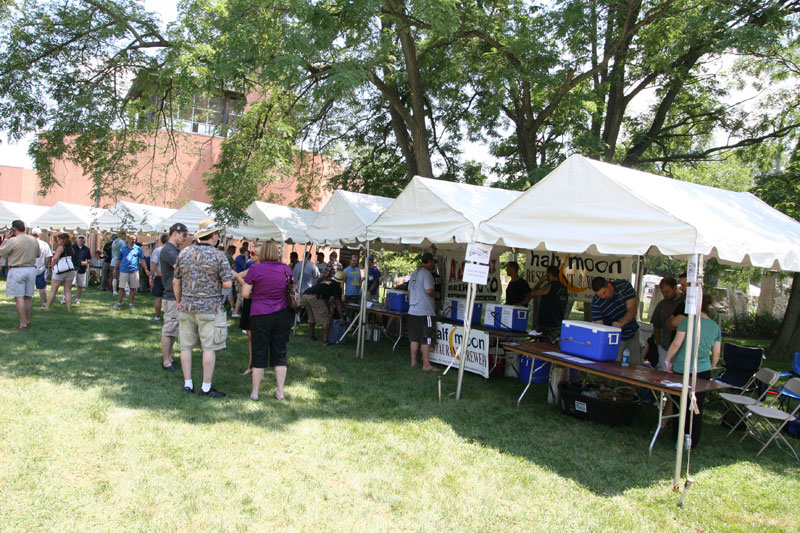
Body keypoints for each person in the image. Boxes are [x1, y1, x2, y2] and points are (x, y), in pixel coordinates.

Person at [173, 219, 233, 397]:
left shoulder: (184, 253)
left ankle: (188, 383)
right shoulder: (219, 255)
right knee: (209, 348)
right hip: (210, 308)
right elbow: (228, 284)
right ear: (213, 236)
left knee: (186, 347)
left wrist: (179, 301)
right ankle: (206, 387)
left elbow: (176, 281)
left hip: (186, 306)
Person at [664, 294, 721, 448]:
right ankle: (692, 440)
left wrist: (668, 360)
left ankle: (678, 437)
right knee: (697, 407)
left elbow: (676, 344)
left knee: (679, 404)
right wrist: (713, 365)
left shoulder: (687, 322)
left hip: (682, 369)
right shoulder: (715, 327)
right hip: (703, 370)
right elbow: (716, 353)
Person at [242, 242, 294, 400]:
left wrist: (257, 295)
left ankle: (255, 392)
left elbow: (245, 293)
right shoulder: (287, 269)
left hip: (260, 314)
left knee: (259, 352)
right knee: (280, 353)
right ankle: (280, 391)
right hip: (283, 314)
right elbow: (292, 289)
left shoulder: (255, 269)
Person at [591, 276, 641, 365]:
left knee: (635, 366)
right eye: (599, 295)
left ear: (609, 285)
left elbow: (632, 309)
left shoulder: (624, 286)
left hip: (632, 332)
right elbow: (599, 325)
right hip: (613, 338)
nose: (603, 296)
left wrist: (622, 322)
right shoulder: (596, 302)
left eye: (604, 293)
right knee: (610, 367)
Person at [159, 223, 188, 372]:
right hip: (171, 296)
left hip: (175, 295)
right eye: (184, 235)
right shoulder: (168, 251)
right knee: (169, 328)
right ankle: (166, 361)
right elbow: (182, 268)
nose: (185, 238)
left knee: (173, 329)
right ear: (175, 233)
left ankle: (169, 357)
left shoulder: (174, 250)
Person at [0, 220, 39, 329]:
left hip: (17, 269)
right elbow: (38, 254)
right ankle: (27, 321)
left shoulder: (13, 240)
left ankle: (22, 323)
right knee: (28, 297)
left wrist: (6, 238)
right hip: (31, 269)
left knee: (19, 297)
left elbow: (1, 251)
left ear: (14, 229)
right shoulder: (33, 239)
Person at [408, 252, 440, 371]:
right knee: (426, 337)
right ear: (430, 261)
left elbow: (409, 293)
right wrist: (436, 294)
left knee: (414, 338)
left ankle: (413, 361)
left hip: (413, 310)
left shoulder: (414, 273)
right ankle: (426, 364)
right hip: (425, 311)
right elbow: (429, 291)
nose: (434, 265)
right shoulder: (427, 274)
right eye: (433, 262)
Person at [649, 276, 684, 370]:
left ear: (675, 288)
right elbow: (656, 326)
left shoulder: (684, 302)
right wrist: (659, 344)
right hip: (665, 346)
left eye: (667, 292)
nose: (665, 295)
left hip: (682, 348)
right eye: (663, 292)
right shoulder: (661, 305)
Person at [302, 271, 345, 345]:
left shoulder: (328, 282)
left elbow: (326, 299)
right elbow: (338, 304)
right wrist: (342, 317)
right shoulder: (337, 287)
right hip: (315, 297)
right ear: (342, 281)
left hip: (306, 295)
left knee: (311, 317)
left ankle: (311, 336)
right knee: (325, 320)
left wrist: (328, 308)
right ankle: (325, 341)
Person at [530, 265, 569, 334]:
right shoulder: (563, 288)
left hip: (546, 323)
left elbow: (534, 292)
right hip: (558, 322)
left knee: (542, 343)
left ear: (549, 275)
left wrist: (540, 282)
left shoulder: (550, 285)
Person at [114, 234, 149, 308]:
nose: (133, 240)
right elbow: (119, 259)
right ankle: (119, 302)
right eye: (132, 239)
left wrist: (146, 269)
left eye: (134, 239)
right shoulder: (123, 248)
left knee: (133, 288)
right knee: (121, 288)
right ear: (127, 239)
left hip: (134, 271)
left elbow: (142, 259)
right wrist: (115, 268)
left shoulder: (138, 249)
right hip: (124, 270)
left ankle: (131, 303)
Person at [45, 233, 77, 313]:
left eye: (59, 239)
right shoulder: (71, 249)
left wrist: (52, 265)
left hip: (60, 270)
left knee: (53, 290)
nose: (57, 241)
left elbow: (55, 258)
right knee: (67, 290)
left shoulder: (60, 248)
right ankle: (69, 309)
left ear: (64, 240)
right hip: (70, 270)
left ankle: (47, 307)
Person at [32, 227, 52, 307]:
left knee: (28, 286)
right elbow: (48, 257)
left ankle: (25, 301)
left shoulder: (28, 244)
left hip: (29, 267)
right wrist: (46, 266)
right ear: (39, 235)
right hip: (41, 267)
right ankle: (44, 302)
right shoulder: (44, 244)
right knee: (42, 287)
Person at [150, 234, 168, 322]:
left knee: (158, 297)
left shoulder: (157, 250)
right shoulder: (173, 250)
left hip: (159, 276)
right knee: (169, 298)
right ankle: (168, 317)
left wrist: (151, 276)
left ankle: (157, 317)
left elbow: (154, 264)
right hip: (169, 277)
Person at [71, 234, 92, 304]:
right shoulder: (72, 247)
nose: (81, 239)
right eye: (79, 238)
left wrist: (86, 262)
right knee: (71, 284)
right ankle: (65, 297)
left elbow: (89, 259)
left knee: (80, 285)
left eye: (82, 238)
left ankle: (77, 299)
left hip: (82, 269)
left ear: (84, 240)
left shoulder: (86, 249)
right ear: (77, 239)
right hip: (73, 268)